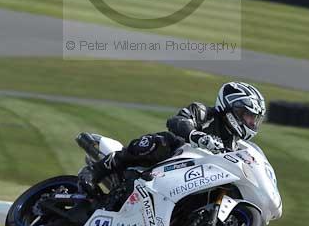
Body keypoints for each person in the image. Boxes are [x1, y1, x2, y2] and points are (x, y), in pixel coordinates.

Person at [78, 81, 266, 196]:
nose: (251, 122)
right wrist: (195, 135)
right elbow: (177, 121)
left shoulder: (235, 146)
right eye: (247, 116)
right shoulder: (203, 113)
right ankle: (95, 171)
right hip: (170, 159)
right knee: (160, 141)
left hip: (192, 179)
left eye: (254, 119)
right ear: (232, 109)